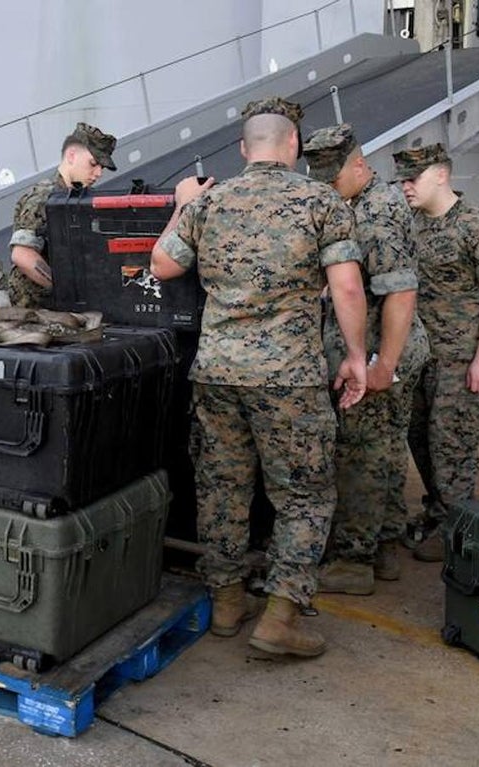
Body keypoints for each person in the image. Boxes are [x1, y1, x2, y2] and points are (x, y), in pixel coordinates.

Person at [151, 97, 368, 658]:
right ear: (294, 146)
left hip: (217, 372)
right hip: (289, 377)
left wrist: (182, 205)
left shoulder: (211, 202)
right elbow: (346, 287)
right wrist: (356, 357)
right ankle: (280, 618)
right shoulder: (320, 201)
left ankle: (226, 604)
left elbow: (162, 265)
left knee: (222, 488)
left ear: (244, 150)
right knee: (303, 496)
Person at [302, 124, 430, 593]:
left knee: (360, 456)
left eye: (333, 182)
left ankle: (354, 561)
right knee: (385, 452)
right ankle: (385, 547)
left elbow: (400, 295)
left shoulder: (377, 213)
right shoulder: (357, 202)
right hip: (377, 352)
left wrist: (381, 365)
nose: (327, 190)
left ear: (359, 165)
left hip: (381, 353)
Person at [394, 144, 479, 562]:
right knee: (420, 441)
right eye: (402, 181)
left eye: (413, 179)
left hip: (460, 360)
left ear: (441, 175)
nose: (406, 187)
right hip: (417, 359)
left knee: (454, 447)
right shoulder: (408, 226)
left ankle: (457, 529)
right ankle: (438, 511)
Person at [8, 122, 117, 307]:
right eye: (93, 164)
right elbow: (22, 254)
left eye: (102, 168)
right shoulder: (43, 197)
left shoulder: (79, 200)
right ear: (71, 156)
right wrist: (65, 289)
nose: (98, 173)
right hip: (36, 310)